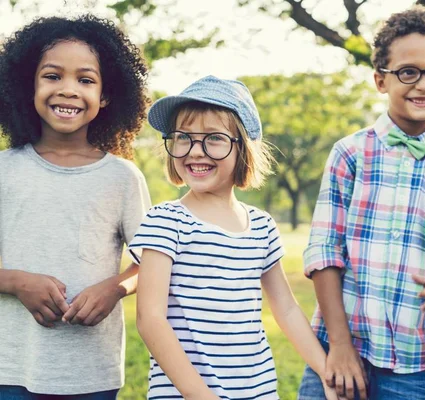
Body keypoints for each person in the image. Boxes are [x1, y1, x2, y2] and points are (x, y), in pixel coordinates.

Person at [129, 75, 338, 400]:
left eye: (213, 138)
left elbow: (286, 309)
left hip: (256, 390)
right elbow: (150, 319)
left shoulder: (261, 226)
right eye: (183, 137)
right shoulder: (166, 221)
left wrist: (327, 371)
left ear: (241, 147)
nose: (195, 152)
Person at [298, 7, 425, 400]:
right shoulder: (350, 154)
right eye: (408, 72)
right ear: (380, 80)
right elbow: (324, 252)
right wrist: (339, 345)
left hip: (412, 353)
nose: (424, 84)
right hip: (337, 342)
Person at [0, 14, 151, 399]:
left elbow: (149, 262)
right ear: (27, 86)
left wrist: (114, 288)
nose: (68, 89)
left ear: (105, 96)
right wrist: (17, 282)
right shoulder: (5, 170)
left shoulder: (123, 177)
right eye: (52, 76)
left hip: (91, 372)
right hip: (10, 367)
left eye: (85, 79)